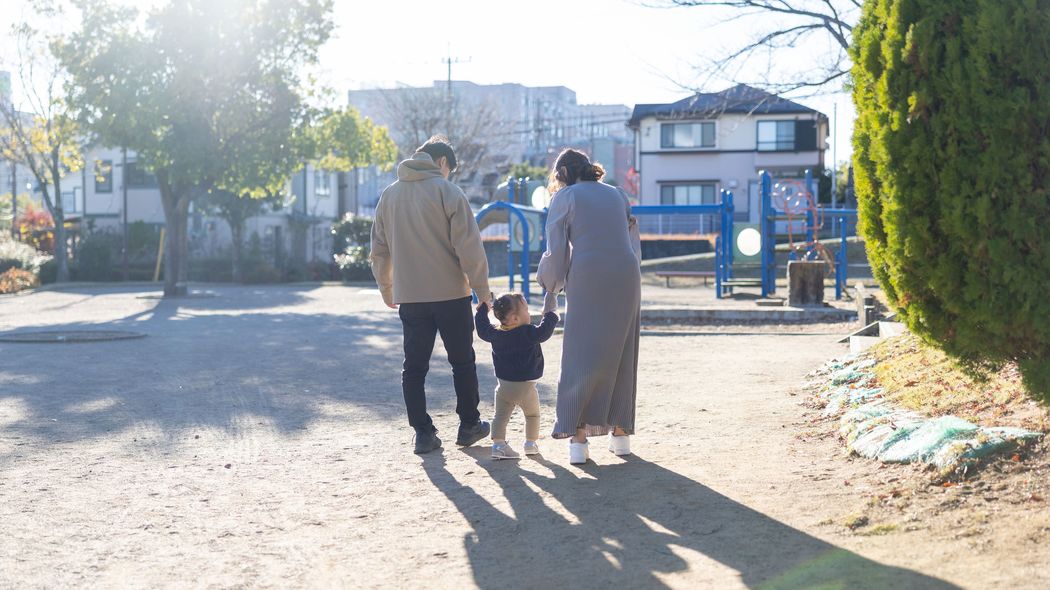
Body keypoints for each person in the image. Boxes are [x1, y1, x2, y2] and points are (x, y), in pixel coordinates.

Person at [370, 135, 492, 455]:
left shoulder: (389, 195)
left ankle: (423, 433)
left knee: (414, 367)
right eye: (449, 168)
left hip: (410, 296)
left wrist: (387, 287)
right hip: (451, 293)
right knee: (462, 362)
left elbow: (379, 250)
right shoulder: (447, 190)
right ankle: (468, 426)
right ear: (441, 163)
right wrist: (482, 290)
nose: (448, 173)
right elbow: (469, 246)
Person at [536, 148, 642, 465]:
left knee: (581, 354)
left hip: (588, 275)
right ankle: (620, 433)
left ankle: (578, 437)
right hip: (627, 274)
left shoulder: (564, 199)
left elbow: (556, 254)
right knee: (623, 352)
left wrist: (549, 285)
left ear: (563, 175)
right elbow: (632, 240)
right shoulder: (618, 194)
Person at [475, 291, 559, 460]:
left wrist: (482, 309)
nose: (529, 314)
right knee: (532, 415)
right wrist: (550, 314)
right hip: (525, 388)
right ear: (514, 318)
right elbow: (544, 332)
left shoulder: (495, 334)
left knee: (500, 416)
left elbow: (482, 329)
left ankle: (498, 445)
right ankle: (530, 444)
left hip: (504, 386)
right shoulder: (528, 333)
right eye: (526, 310)